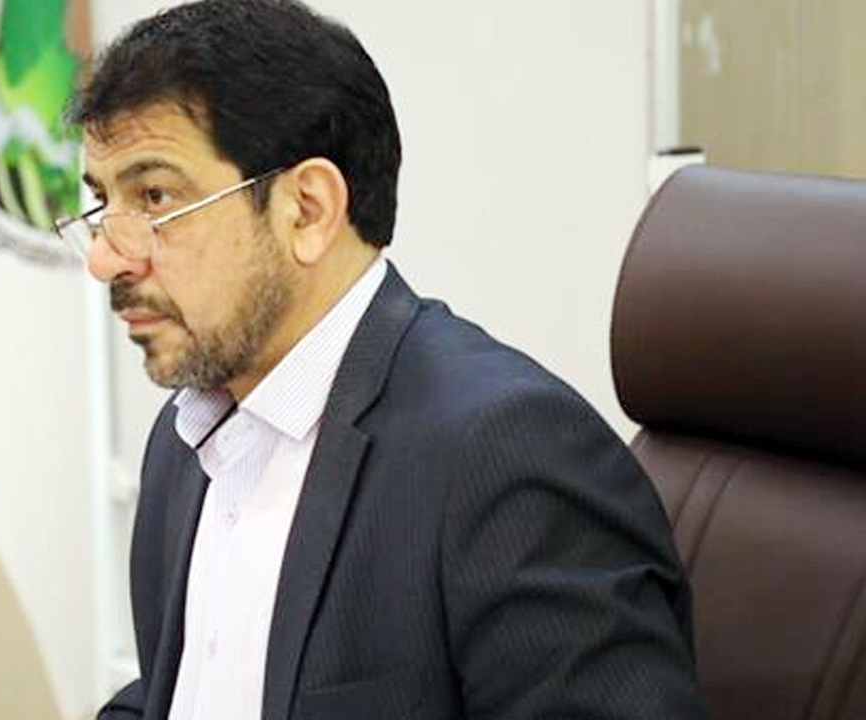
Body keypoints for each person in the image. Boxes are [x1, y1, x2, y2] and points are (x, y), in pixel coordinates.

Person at [54, 1, 707, 718]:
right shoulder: (187, 440)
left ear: (307, 210)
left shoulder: (505, 456)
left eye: (154, 197)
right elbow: (181, 693)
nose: (107, 258)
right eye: (102, 205)